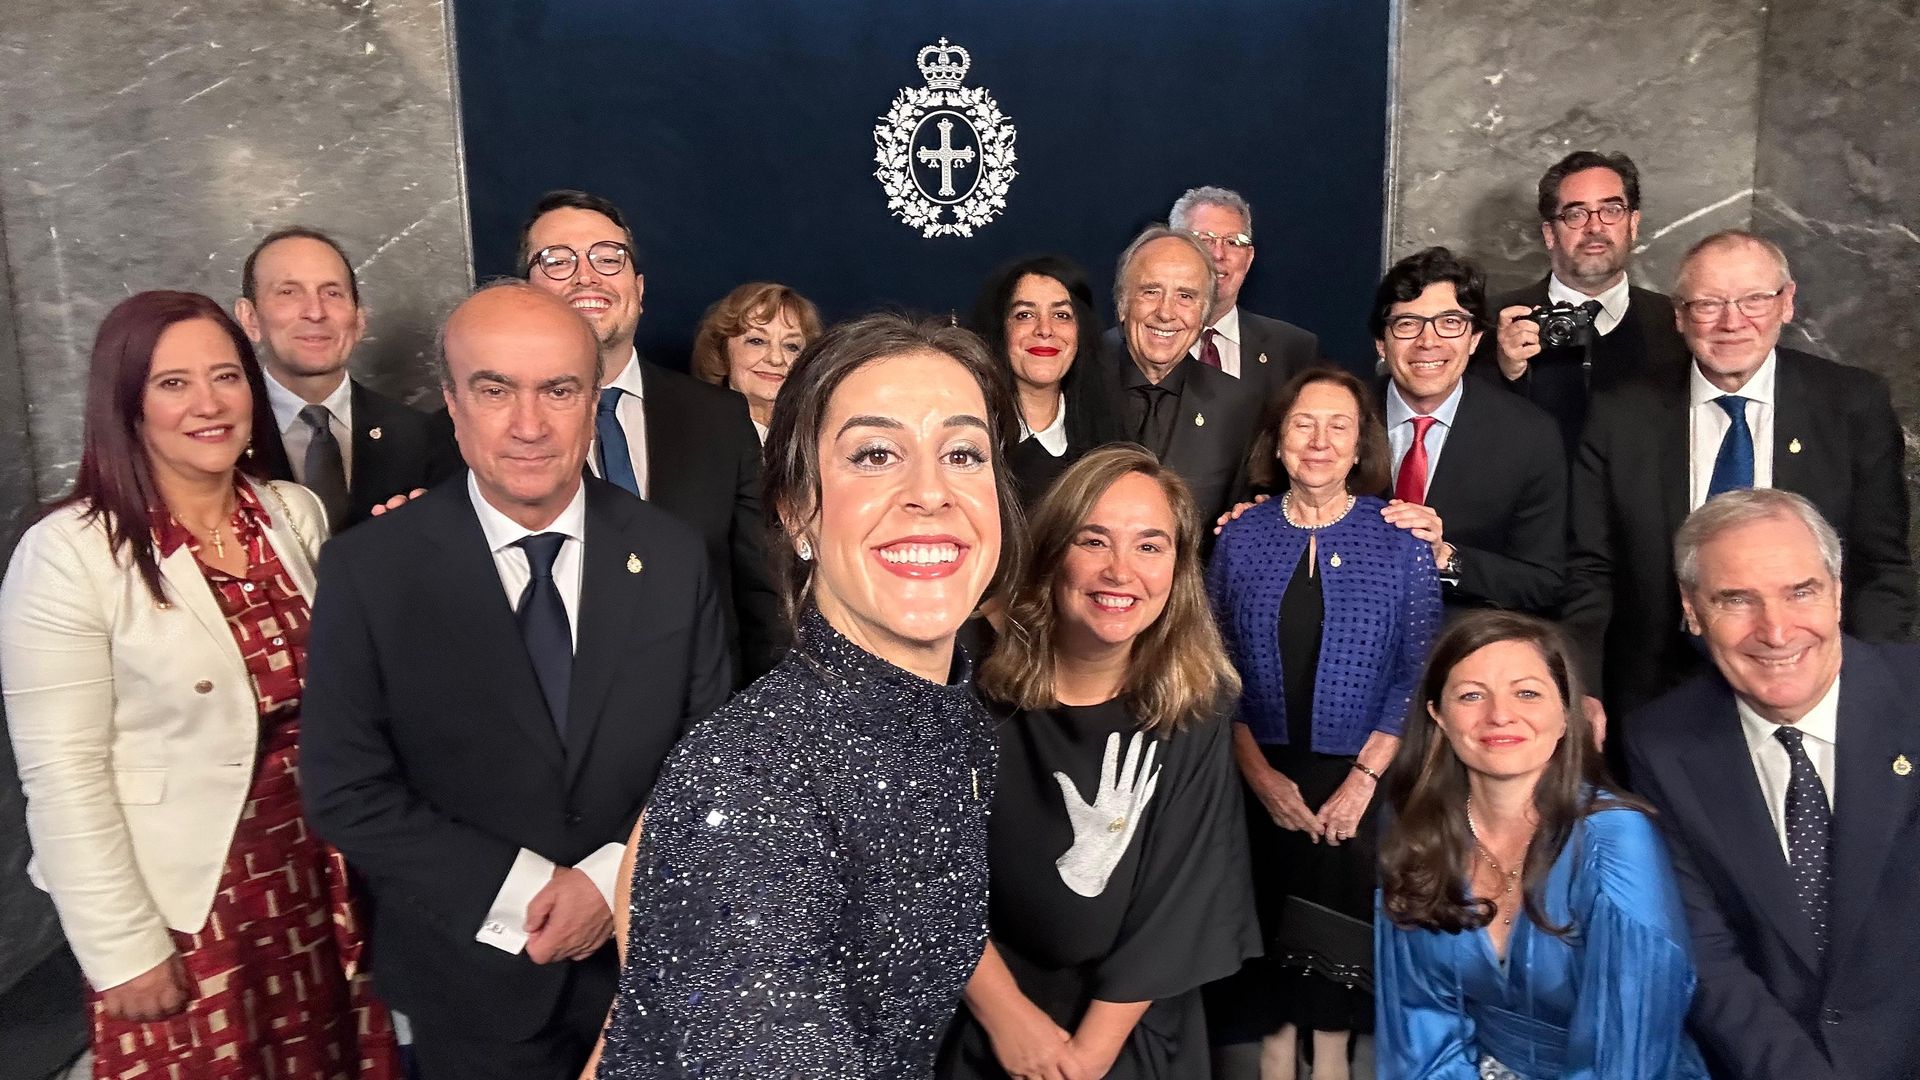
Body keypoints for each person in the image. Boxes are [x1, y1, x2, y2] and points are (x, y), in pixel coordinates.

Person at [299, 283, 731, 1080]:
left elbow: (708, 758)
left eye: (558, 391)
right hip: (470, 983)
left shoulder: (671, 555)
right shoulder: (369, 571)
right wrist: (528, 892)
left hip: (647, 967)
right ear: (453, 406)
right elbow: (344, 788)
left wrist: (607, 886)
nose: (528, 426)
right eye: (495, 390)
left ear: (592, 399)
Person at [591, 313, 1025, 1077]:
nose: (931, 491)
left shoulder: (961, 728)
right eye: (875, 453)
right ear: (797, 511)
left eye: (962, 452)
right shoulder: (750, 783)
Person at [0, 290, 398, 1078]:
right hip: (187, 907)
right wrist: (122, 950)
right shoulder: (70, 554)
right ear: (127, 403)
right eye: (173, 383)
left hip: (320, 881)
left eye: (227, 376)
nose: (209, 404)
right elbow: (63, 778)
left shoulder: (293, 514)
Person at [939, 445, 1259, 1079]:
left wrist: (1086, 1059)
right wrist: (1008, 1020)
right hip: (978, 1009)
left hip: (1129, 1026)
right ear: (1054, 552)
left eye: (1150, 546)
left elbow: (1180, 900)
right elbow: (923, 870)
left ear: (1178, 567)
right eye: (1094, 541)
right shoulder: (961, 675)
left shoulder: (1197, 702)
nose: (1122, 571)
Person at [1564, 230, 1914, 738]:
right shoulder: (1621, 413)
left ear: (1786, 303)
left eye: (1753, 299)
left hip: (1808, 683)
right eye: (1708, 304)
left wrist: (1875, 687)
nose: (1732, 322)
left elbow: (1881, 565)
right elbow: (1590, 569)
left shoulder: (1851, 405)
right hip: (1655, 693)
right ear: (1679, 315)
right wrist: (1583, 687)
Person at [1626, 490, 1920, 1080]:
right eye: (1737, 600)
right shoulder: (1660, 743)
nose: (1776, 630)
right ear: (1692, 610)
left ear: (1838, 592)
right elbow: (1705, 955)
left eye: (1800, 592)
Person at [1207, 367, 1441, 1080]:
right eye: (1304, 423)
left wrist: (1364, 782)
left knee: (1338, 1016)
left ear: (1360, 444)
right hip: (1258, 787)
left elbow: (1419, 671)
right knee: (1270, 1010)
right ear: (1278, 440)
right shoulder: (1240, 538)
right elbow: (1213, 670)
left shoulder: (1397, 538)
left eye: (1339, 425)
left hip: (1362, 789)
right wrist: (1261, 778)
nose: (1320, 440)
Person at [1375, 610, 1710, 1079]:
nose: (1499, 715)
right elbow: (1418, 1027)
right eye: (1471, 695)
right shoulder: (1416, 830)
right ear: (1439, 716)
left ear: (1566, 715)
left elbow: (1628, 1047)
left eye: (1527, 693)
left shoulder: (1615, 839)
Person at [519, 189, 784, 683]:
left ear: (639, 289)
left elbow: (761, 599)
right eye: (557, 260)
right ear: (527, 291)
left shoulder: (721, 421)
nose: (586, 274)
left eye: (608, 257)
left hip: (708, 728)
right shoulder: (470, 435)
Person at [1371, 247, 1567, 618]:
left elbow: (1543, 583)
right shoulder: (1339, 420)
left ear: (1475, 339)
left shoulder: (1529, 436)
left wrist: (1447, 558)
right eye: (1408, 323)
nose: (1429, 341)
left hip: (1465, 649)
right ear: (1382, 343)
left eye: (1450, 322)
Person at [235, 226, 461, 531]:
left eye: (332, 293)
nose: (315, 312)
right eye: (288, 292)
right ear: (250, 318)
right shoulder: (220, 438)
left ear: (359, 320)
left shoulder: (423, 437)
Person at [1469, 151, 1691, 451]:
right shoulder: (1489, 322)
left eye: (1611, 210)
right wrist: (1505, 372)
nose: (1595, 227)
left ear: (1633, 224)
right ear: (1549, 234)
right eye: (1575, 214)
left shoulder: (1678, 323)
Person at [1106, 225, 1266, 531]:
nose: (1166, 313)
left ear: (1202, 315)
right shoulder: (1074, 391)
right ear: (1123, 304)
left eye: (1185, 296)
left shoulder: (1240, 408)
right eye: (1150, 291)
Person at [970, 254, 1128, 507]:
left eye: (1062, 315)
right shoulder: (967, 438)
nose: (1044, 329)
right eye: (1025, 315)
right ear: (1000, 329)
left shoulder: (1112, 443)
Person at [1168, 186, 1319, 399]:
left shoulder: (1293, 350)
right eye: (1204, 240)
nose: (1218, 254)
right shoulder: (1130, 346)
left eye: (1233, 242)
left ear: (1248, 259)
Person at [688, 280, 822, 443]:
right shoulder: (694, 439)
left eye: (791, 346)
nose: (776, 358)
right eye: (757, 341)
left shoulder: (818, 440)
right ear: (722, 354)